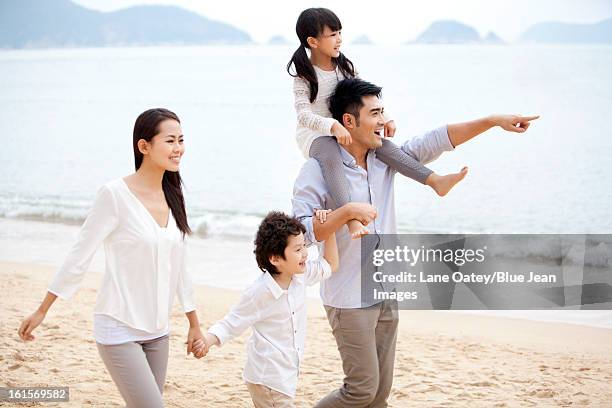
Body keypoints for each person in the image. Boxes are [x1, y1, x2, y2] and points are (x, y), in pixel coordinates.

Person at [292, 77, 539, 407]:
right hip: (348, 298)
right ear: (348, 122)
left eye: (384, 111)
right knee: (361, 390)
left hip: (385, 291)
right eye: (375, 113)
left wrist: (493, 122)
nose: (383, 121)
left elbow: (440, 138)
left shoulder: (385, 160)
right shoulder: (319, 169)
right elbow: (302, 231)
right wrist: (344, 213)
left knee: (379, 395)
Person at [18, 108, 205, 408]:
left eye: (181, 140)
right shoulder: (114, 195)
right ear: (143, 146)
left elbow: (179, 265)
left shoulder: (174, 195)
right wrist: (43, 310)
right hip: (119, 327)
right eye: (170, 141)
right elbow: (80, 254)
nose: (179, 148)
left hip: (159, 331)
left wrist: (193, 323)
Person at [287, 7, 468, 240]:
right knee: (331, 155)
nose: (339, 39)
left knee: (384, 147)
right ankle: (351, 219)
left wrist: (386, 117)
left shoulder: (346, 67)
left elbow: (366, 97)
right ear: (312, 41)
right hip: (315, 134)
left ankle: (435, 181)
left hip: (347, 126)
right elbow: (303, 116)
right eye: (332, 35)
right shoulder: (305, 76)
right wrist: (332, 126)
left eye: (340, 32)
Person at [193, 211, 339, 408]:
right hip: (268, 378)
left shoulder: (299, 276)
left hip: (284, 376)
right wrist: (207, 341)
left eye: (304, 245)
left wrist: (329, 227)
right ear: (275, 259)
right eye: (297, 249)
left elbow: (330, 264)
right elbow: (232, 322)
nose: (305, 252)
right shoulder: (260, 292)